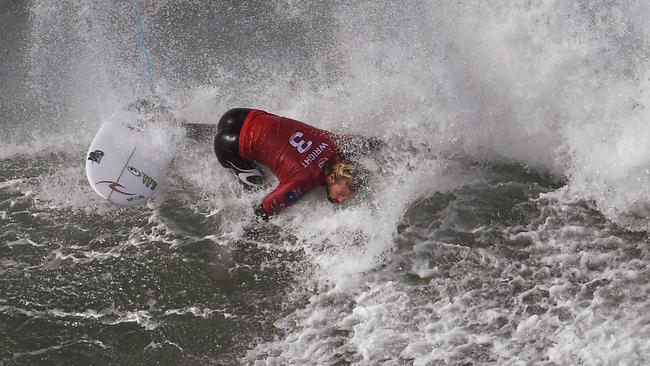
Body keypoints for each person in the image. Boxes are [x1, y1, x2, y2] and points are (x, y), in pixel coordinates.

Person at [214, 108, 378, 220]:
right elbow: (264, 209)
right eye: (342, 194)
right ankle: (219, 141)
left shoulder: (335, 145)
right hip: (229, 147)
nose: (341, 200)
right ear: (331, 177)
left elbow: (368, 143)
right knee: (256, 188)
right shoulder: (305, 180)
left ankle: (202, 132)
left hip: (241, 115)